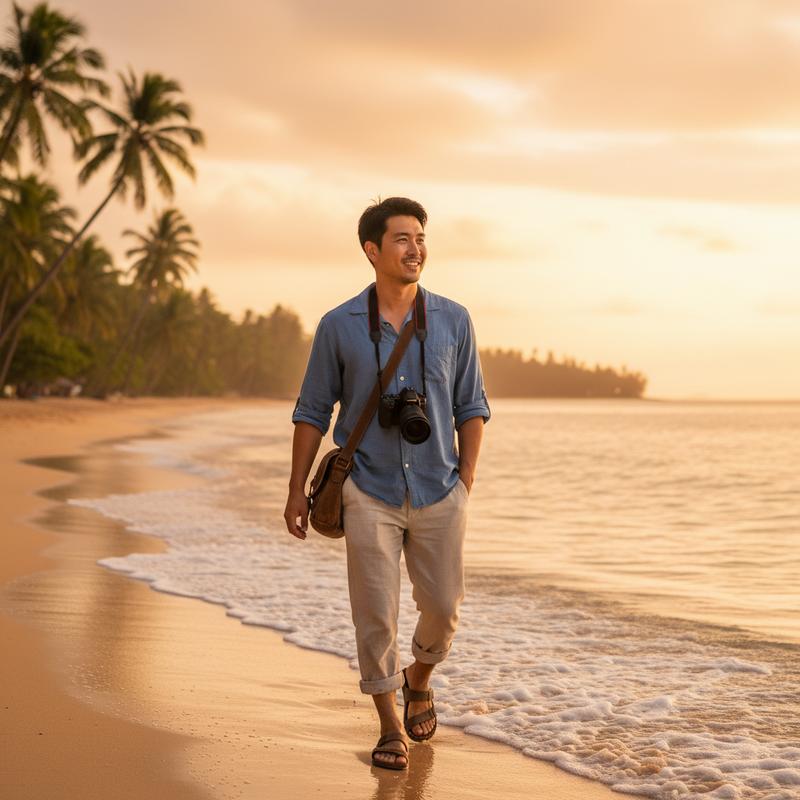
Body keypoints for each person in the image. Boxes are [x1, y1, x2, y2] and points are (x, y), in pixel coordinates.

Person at [284, 197, 490, 770]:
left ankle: (419, 677)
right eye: (402, 238)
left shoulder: (453, 319)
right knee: (375, 614)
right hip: (368, 489)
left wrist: (466, 477)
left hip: (440, 489)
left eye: (420, 237)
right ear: (372, 250)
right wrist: (296, 489)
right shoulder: (339, 325)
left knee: (444, 608)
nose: (415, 247)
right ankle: (389, 726)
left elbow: (473, 406)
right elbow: (311, 412)